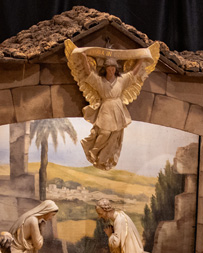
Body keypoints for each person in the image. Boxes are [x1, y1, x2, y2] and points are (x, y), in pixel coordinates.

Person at [66, 42, 157, 170]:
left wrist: (141, 59)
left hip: (118, 109)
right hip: (106, 108)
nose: (111, 70)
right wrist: (84, 58)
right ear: (105, 69)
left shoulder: (121, 80)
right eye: (109, 68)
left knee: (115, 135)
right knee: (104, 132)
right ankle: (94, 151)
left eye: (113, 68)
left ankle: (105, 158)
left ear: (116, 69)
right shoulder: (100, 81)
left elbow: (133, 73)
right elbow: (88, 73)